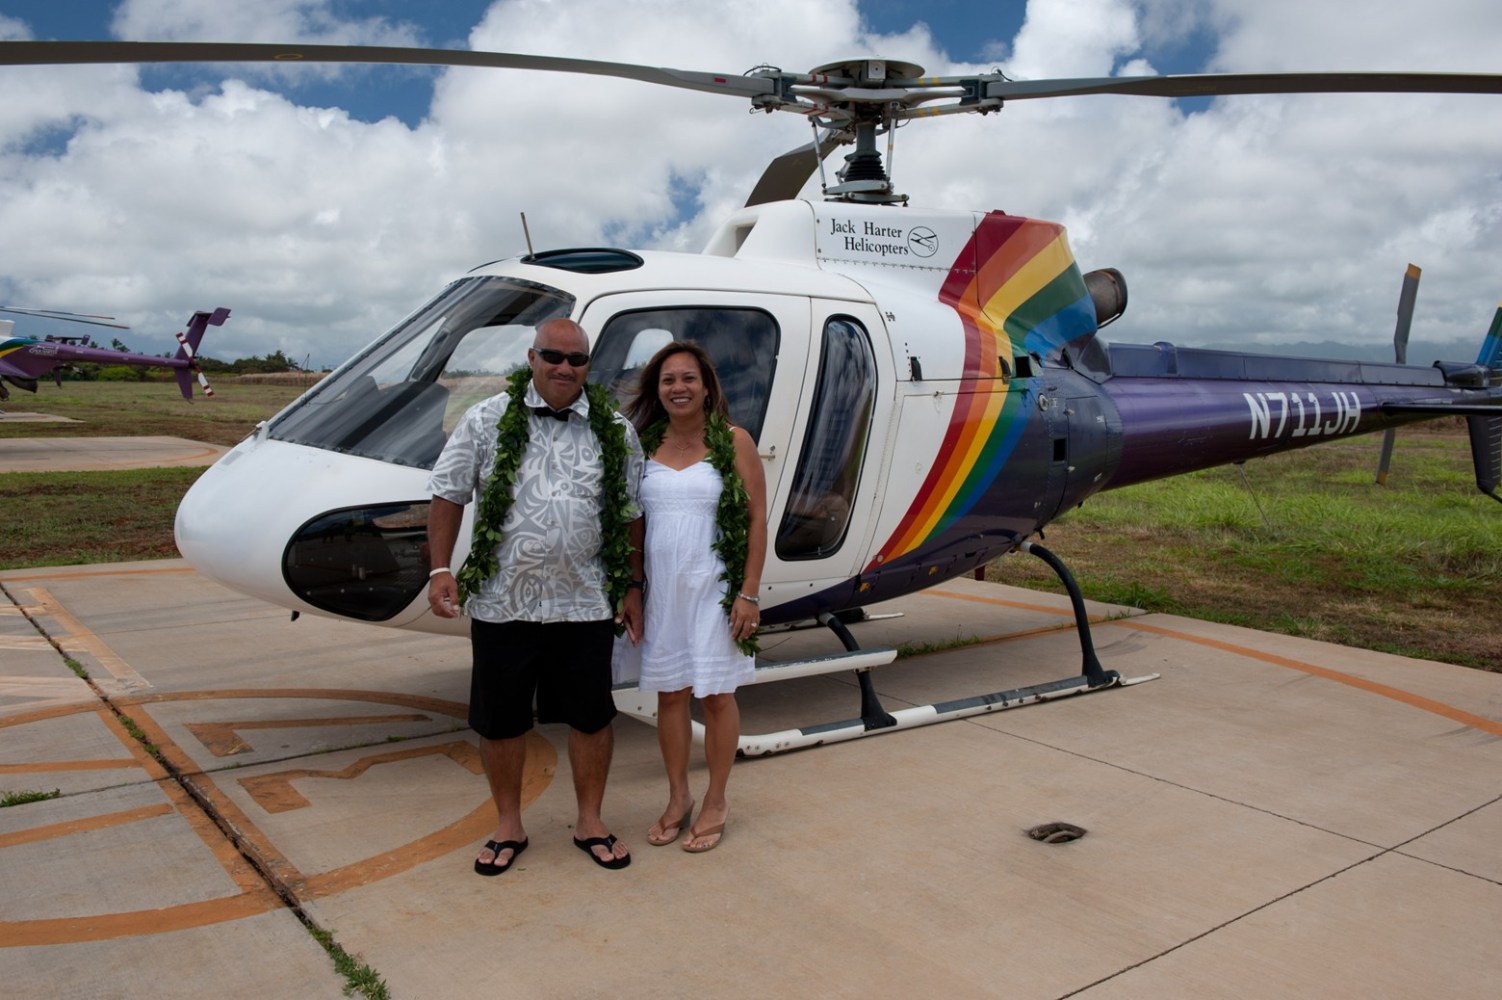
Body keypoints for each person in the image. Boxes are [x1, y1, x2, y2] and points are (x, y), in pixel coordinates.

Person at [427, 317, 646, 875]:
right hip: (504, 601)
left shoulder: (614, 430)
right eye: (554, 356)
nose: (564, 367)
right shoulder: (485, 420)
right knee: (501, 720)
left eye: (577, 360)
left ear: (588, 367)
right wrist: (438, 568)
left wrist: (631, 583)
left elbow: (631, 514)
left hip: (585, 600)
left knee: (593, 718)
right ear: (531, 357)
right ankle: (508, 824)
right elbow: (448, 493)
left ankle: (590, 821)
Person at [617, 340, 767, 853]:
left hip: (717, 592)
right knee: (671, 695)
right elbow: (634, 525)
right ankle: (678, 796)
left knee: (718, 695)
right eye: (667, 380)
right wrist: (633, 588)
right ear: (657, 391)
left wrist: (748, 594)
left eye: (687, 379)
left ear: (706, 387)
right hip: (664, 593)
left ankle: (717, 799)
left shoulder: (734, 441)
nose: (678, 388)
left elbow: (756, 521)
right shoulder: (642, 445)